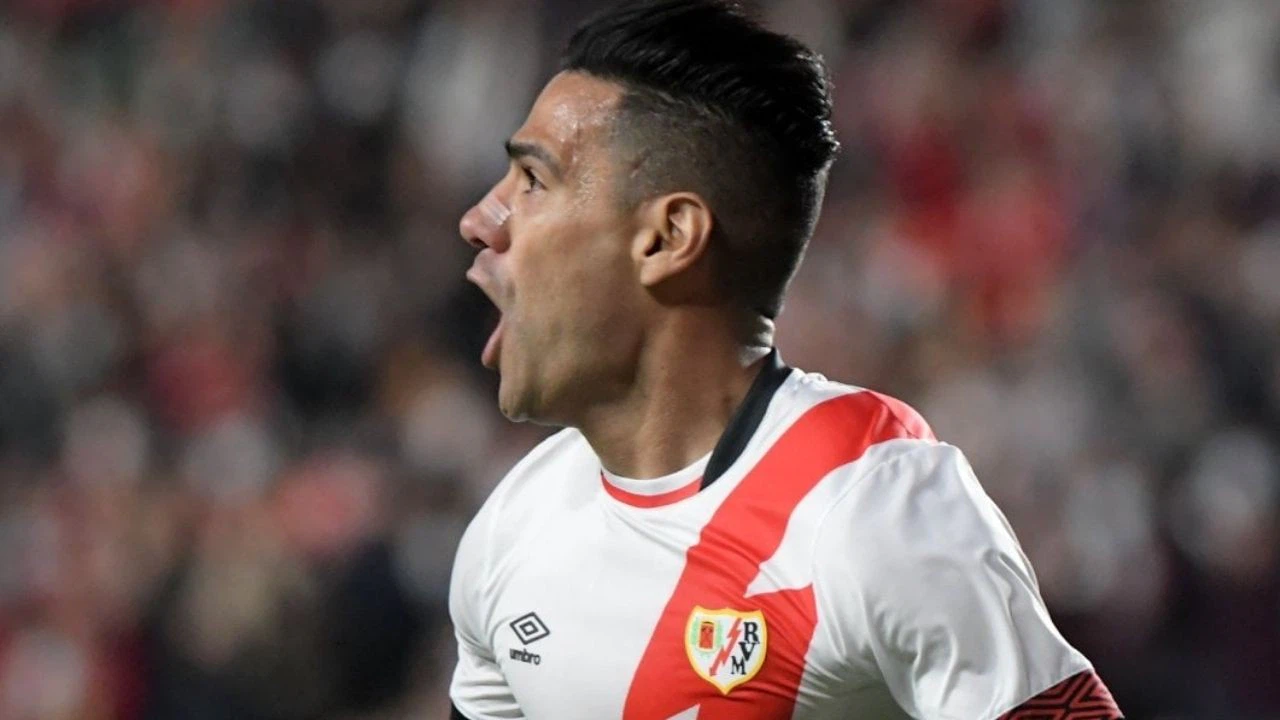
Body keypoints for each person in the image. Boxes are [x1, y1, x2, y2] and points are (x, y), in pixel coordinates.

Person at [448, 1, 1123, 718]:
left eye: (533, 180)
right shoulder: (515, 522)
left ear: (668, 238)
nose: (480, 220)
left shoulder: (873, 506)